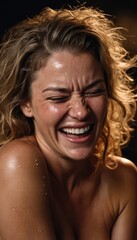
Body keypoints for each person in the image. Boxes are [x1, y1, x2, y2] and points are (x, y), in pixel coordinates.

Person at [0, 5, 136, 240]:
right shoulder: (17, 161)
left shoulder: (124, 177)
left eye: (93, 91)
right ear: (25, 104)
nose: (81, 112)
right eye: (58, 97)